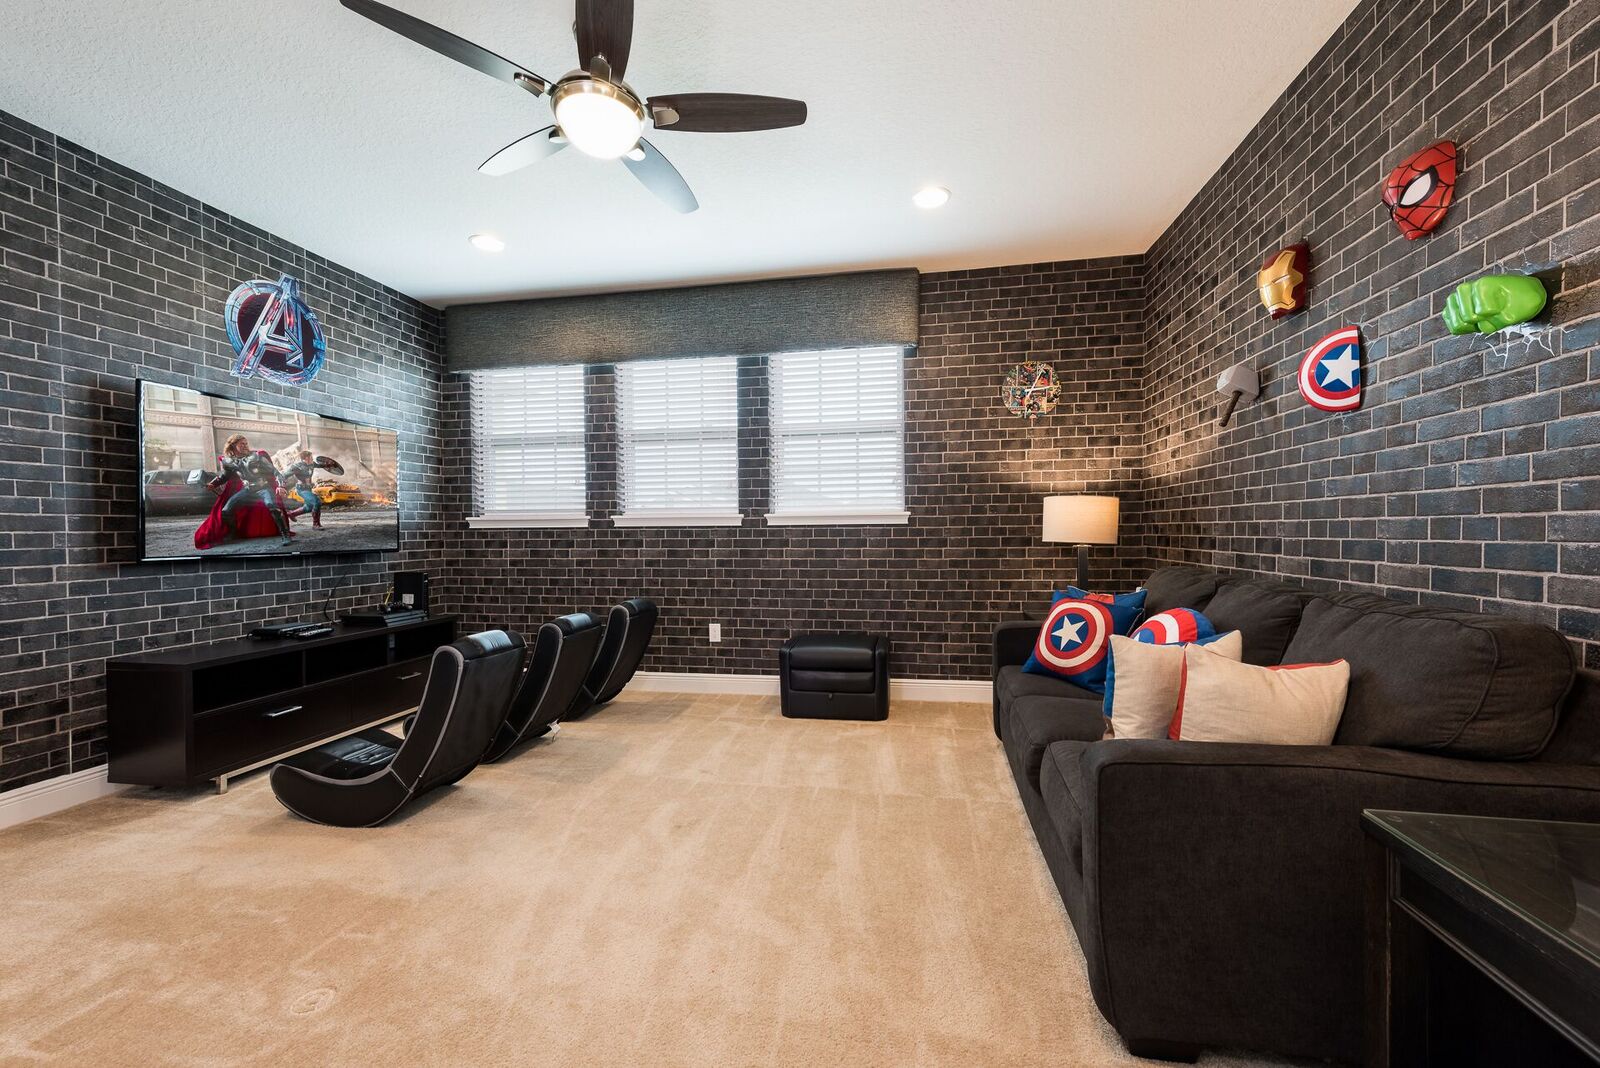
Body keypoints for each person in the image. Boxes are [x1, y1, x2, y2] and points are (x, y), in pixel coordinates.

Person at [203, 434, 294, 546]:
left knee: (272, 505)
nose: (245, 446)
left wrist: (281, 486)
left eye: (246, 443)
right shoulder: (229, 462)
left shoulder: (256, 456)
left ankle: (285, 534)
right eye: (242, 444)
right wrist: (213, 484)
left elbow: (275, 472)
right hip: (247, 490)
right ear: (233, 445)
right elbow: (224, 476)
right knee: (226, 510)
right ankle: (233, 533)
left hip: (263, 488)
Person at [282, 450, 325, 529]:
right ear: (306, 458)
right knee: (317, 502)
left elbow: (320, 465)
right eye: (311, 457)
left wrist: (329, 464)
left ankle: (291, 514)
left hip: (308, 489)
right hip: (301, 490)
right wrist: (282, 485)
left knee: (308, 507)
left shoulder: (312, 464)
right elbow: (284, 475)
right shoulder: (297, 466)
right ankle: (316, 524)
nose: (312, 458)